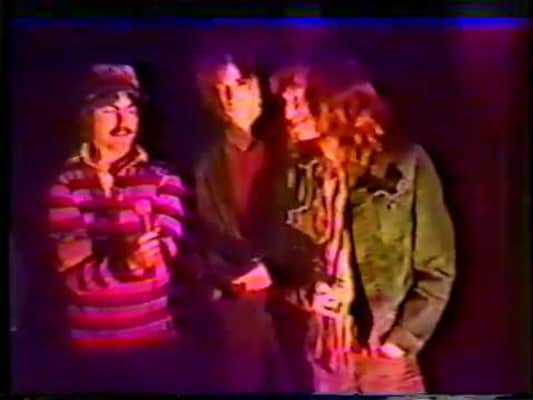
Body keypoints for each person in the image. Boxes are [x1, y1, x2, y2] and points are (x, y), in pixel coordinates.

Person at [271, 60, 456, 394]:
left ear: (333, 101)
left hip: (385, 360)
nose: (288, 113)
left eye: (298, 101)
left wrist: (401, 340)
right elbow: (283, 264)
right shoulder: (298, 175)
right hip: (325, 360)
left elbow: (437, 266)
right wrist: (308, 294)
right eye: (285, 102)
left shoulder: (404, 164)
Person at [47, 64, 206, 393]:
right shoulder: (65, 184)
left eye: (131, 110)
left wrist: (99, 252)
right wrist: (125, 260)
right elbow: (72, 282)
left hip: (154, 346)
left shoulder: (163, 179)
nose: (124, 123)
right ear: (87, 117)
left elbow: (159, 270)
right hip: (90, 352)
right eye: (109, 111)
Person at [192, 52, 293, 392]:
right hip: (241, 312)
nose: (229, 97)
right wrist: (230, 276)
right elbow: (210, 233)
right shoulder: (210, 164)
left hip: (295, 306)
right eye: (219, 89)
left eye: (239, 84)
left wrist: (278, 268)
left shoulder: (291, 146)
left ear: (259, 86)